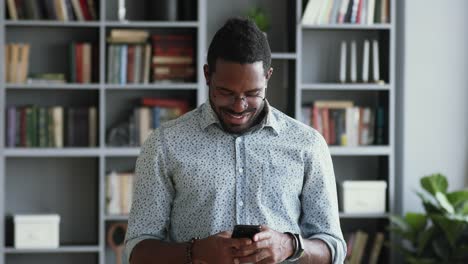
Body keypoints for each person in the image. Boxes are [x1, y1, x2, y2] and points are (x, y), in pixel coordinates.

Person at [125, 17, 346, 264]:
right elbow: (137, 252)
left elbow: (333, 248)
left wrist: (290, 245)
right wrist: (197, 251)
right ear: (207, 75)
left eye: (252, 94)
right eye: (226, 93)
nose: (239, 107)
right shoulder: (164, 144)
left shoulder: (308, 144)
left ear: (268, 77)